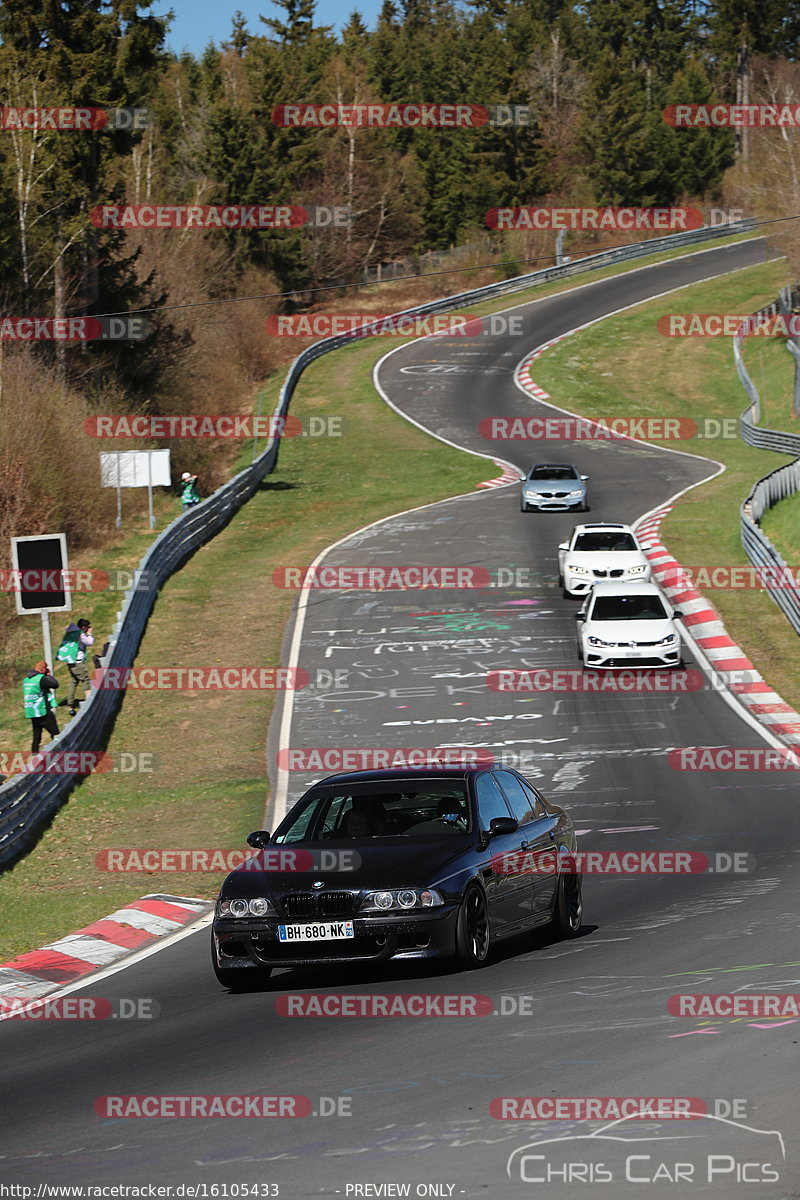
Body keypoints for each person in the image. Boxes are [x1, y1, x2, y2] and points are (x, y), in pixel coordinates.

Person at [56, 618, 94, 716]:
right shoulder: (80, 634)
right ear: (84, 627)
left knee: (74, 681)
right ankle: (89, 702)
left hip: (70, 661)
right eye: (87, 627)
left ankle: (70, 703)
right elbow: (89, 642)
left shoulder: (71, 632)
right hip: (78, 662)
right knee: (85, 680)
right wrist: (89, 634)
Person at [23, 660, 59, 753]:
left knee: (36, 735)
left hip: (31, 710)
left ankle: (34, 754)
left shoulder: (26, 679)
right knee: (55, 733)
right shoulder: (41, 679)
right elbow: (55, 684)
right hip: (42, 710)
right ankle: (56, 752)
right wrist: (48, 675)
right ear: (43, 669)